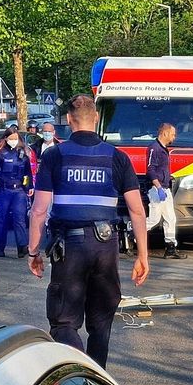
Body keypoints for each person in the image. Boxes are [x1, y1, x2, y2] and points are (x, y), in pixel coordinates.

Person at [27, 95, 149, 368]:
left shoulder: (54, 156)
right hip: (105, 248)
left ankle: (79, 381)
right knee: (101, 322)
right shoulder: (118, 158)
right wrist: (143, 255)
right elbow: (137, 211)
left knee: (64, 322)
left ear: (69, 121)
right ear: (96, 118)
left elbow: (39, 210)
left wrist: (33, 251)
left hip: (70, 249)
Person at [0, 126, 34, 258]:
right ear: (6, 139)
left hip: (19, 190)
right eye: (11, 139)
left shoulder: (23, 153)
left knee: (20, 219)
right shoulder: (0, 153)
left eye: (15, 138)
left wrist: (29, 186)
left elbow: (28, 172)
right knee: (2, 219)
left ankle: (22, 247)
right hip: (4, 190)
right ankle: (0, 248)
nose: (13, 141)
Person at [146, 123, 186, 259]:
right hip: (157, 189)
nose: (174, 137)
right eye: (173, 134)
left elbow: (161, 169)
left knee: (170, 218)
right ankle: (131, 230)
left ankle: (170, 248)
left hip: (164, 188)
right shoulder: (154, 148)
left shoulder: (163, 149)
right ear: (165, 133)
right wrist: (157, 187)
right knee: (154, 219)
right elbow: (150, 169)